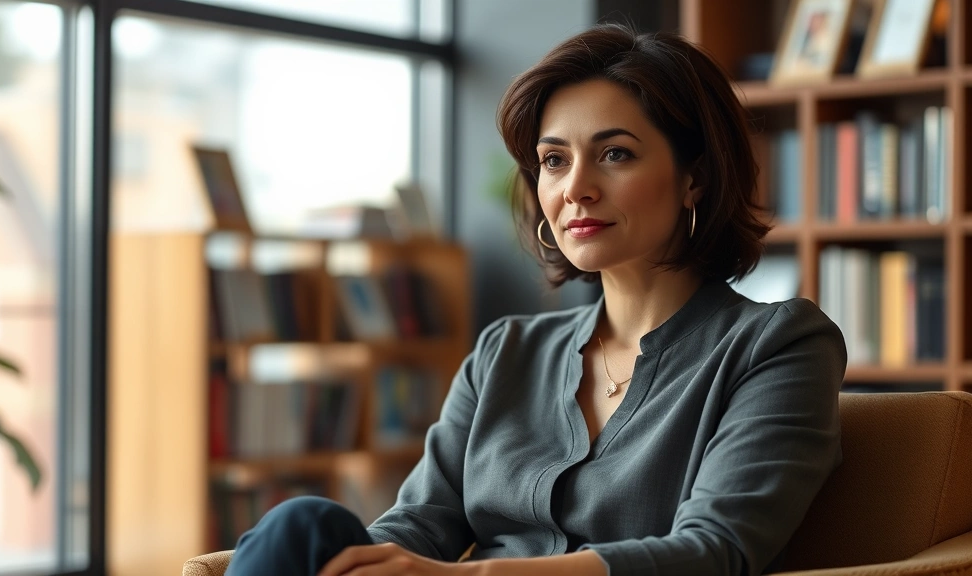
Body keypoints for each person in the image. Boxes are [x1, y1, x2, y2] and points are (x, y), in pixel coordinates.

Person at [225, 23, 846, 576]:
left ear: (695, 178)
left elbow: (717, 551)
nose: (576, 187)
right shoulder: (506, 352)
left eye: (615, 154)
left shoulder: (779, 345)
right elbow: (421, 523)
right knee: (303, 528)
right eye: (554, 160)